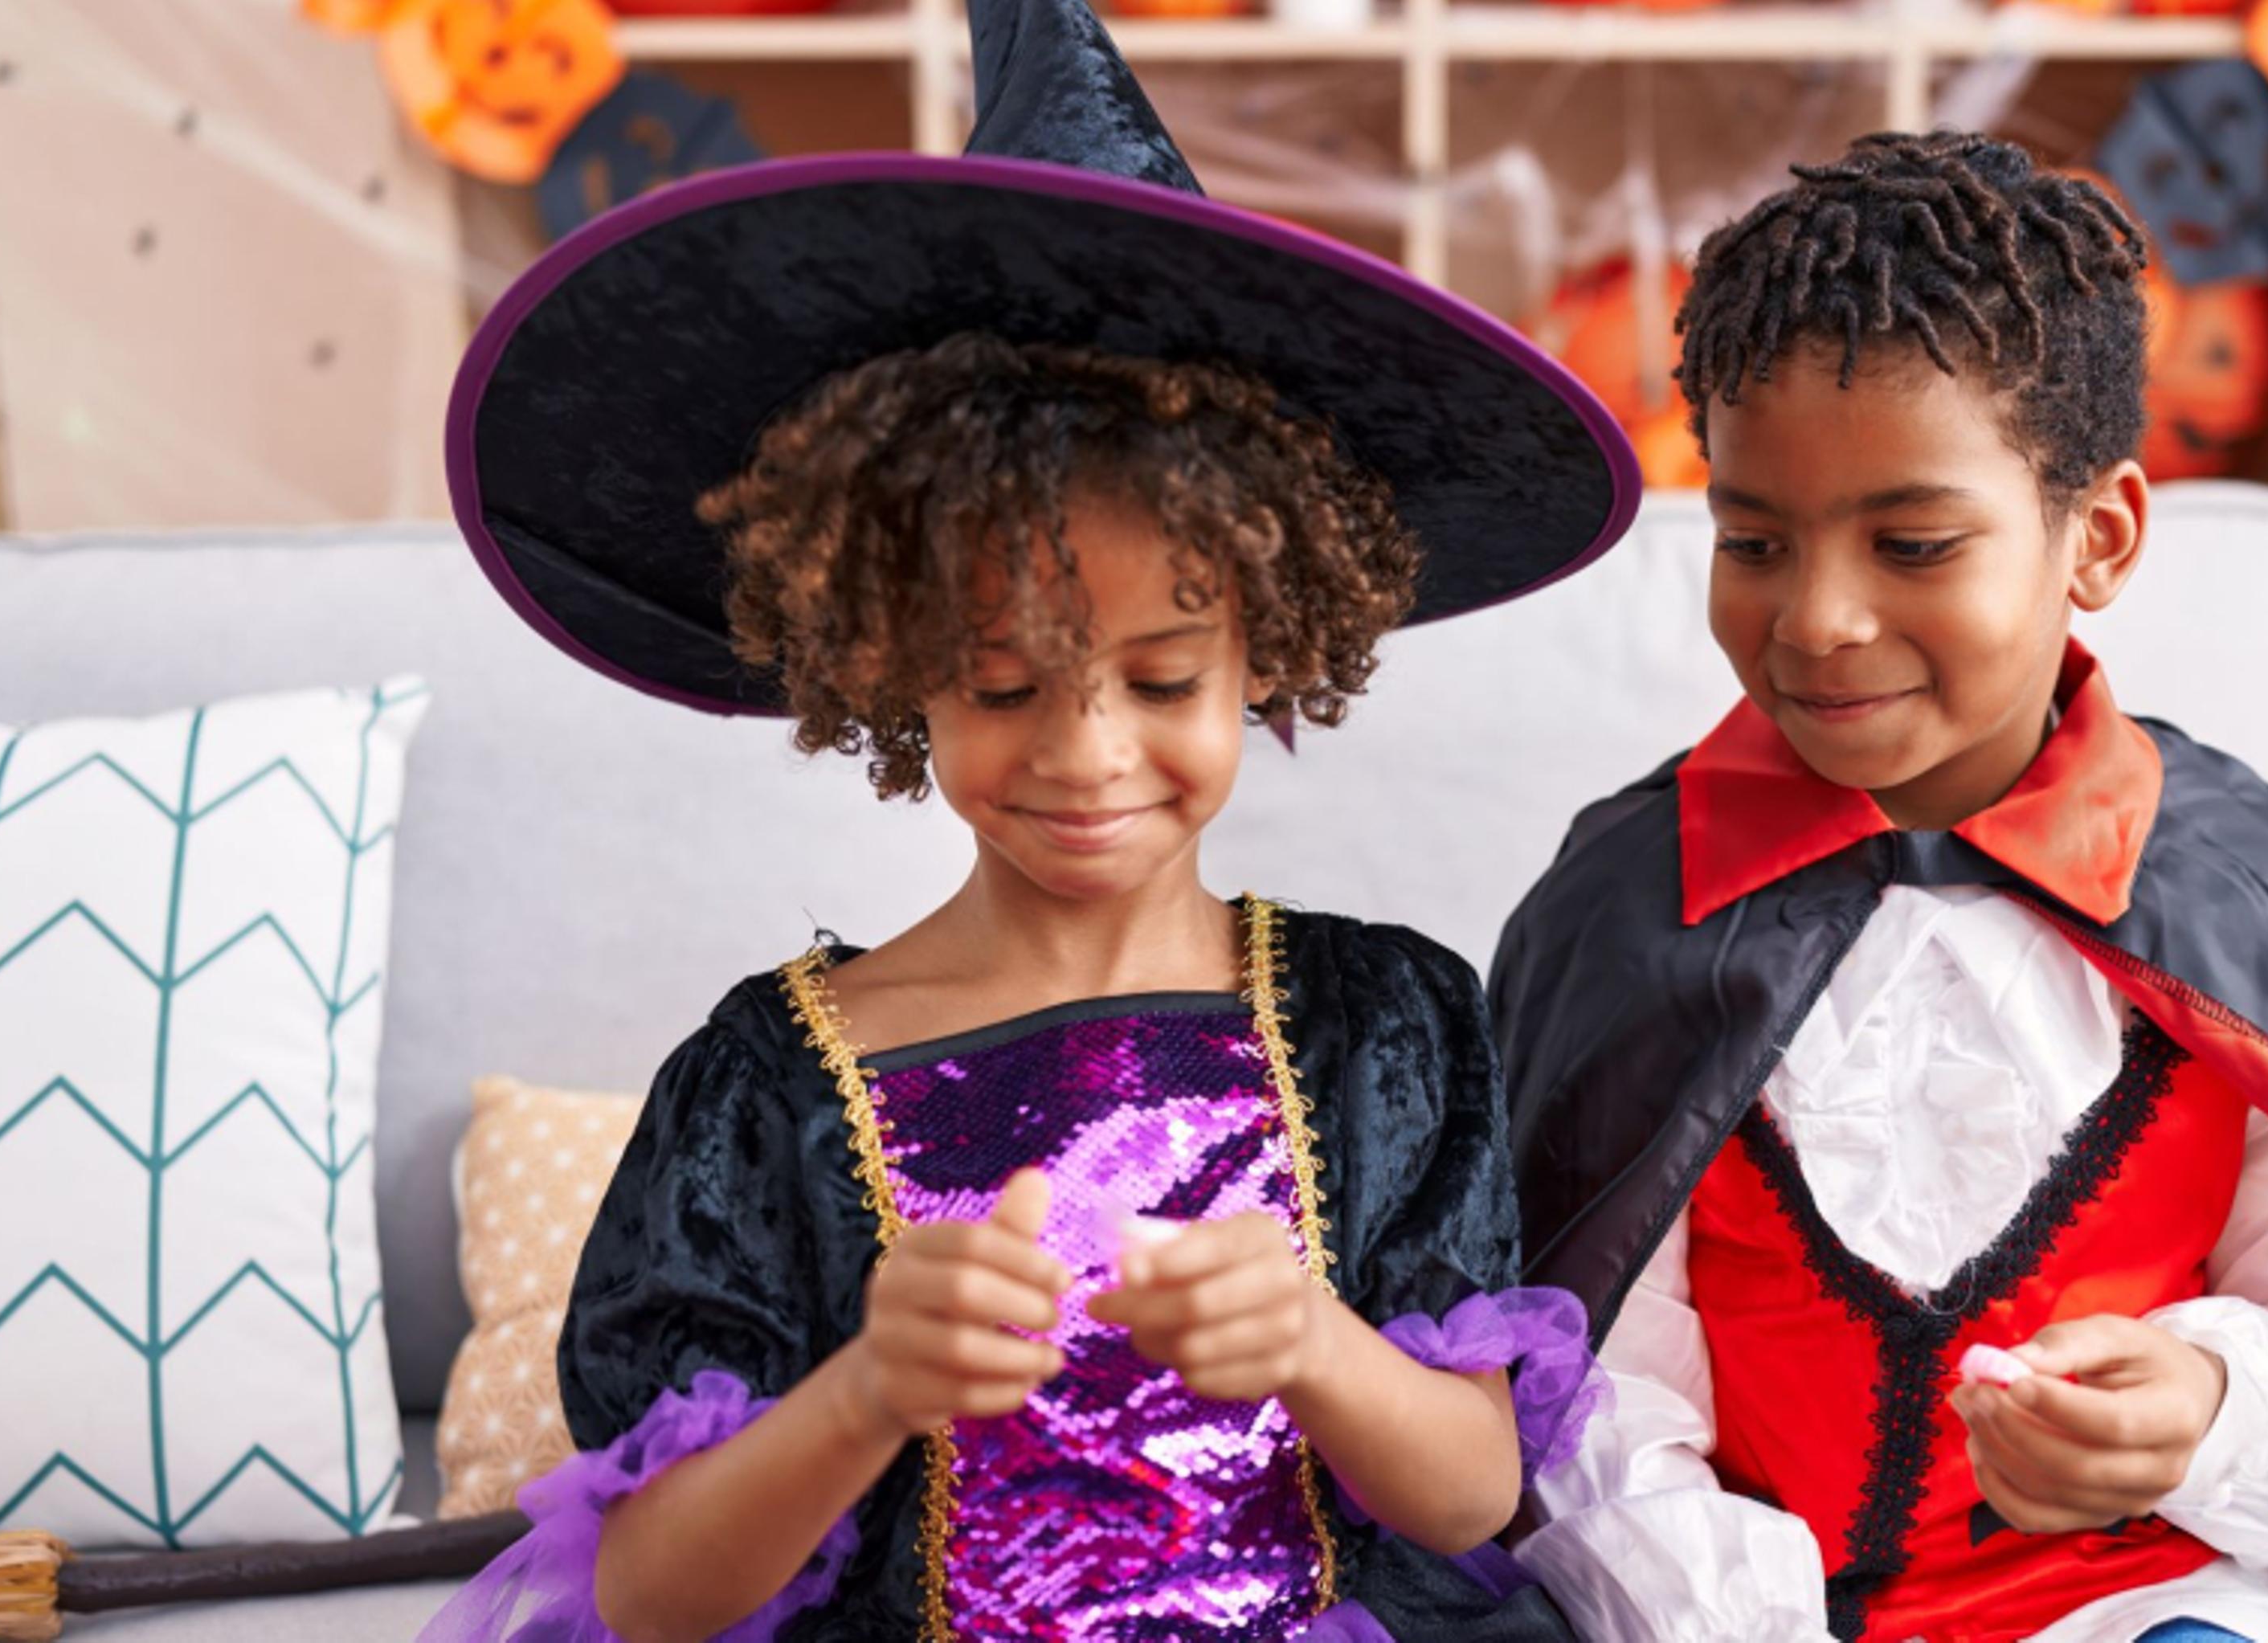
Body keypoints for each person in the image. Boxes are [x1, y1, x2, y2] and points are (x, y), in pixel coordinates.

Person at [419, 3, 1636, 1637]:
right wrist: (866, 1388)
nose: (1085, 750)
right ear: (887, 666)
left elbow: (1475, 1494)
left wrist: (1311, 1342)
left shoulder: (1382, 1026)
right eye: (1001, 685)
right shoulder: (764, 1087)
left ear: (1266, 650)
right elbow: (651, 1594)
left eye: (1159, 677)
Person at [1492, 131, 2268, 1643]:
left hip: (2148, 1606)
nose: (1818, 620)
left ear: (2101, 535)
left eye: (1914, 541)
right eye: (1753, 540)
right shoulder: (1632, 903)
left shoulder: (2233, 881)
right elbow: (1584, 1383)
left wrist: (2208, 1405)